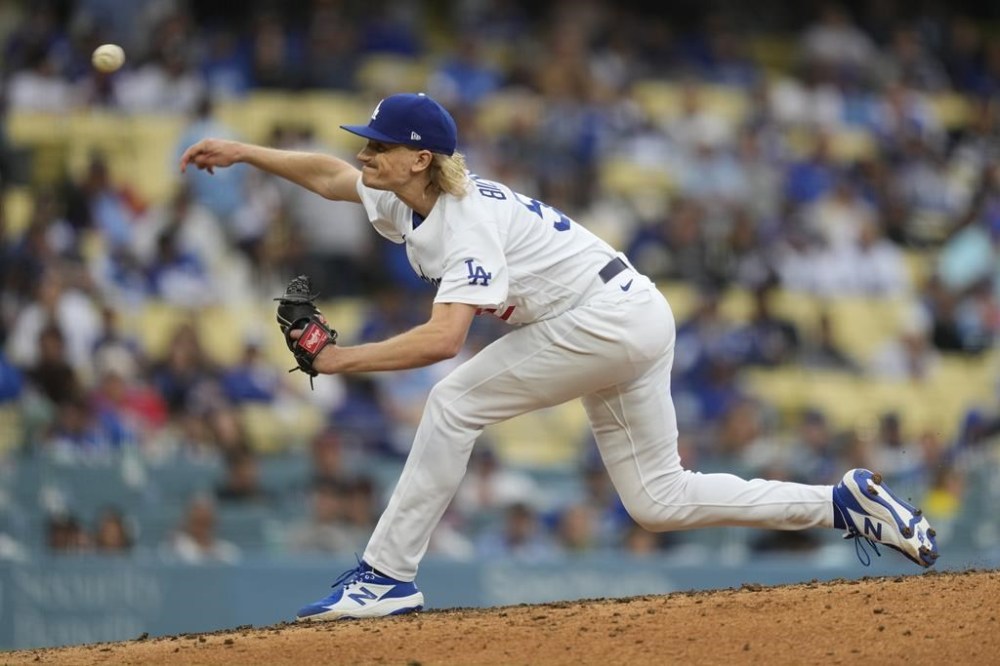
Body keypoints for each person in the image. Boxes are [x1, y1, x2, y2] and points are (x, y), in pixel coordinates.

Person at [179, 92, 940, 622]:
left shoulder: (466, 222)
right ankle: (841, 503)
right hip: (626, 314)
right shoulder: (403, 192)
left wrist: (340, 363)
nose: (364, 153)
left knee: (454, 400)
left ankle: (386, 576)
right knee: (658, 501)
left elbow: (446, 341)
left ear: (419, 158)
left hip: (607, 319)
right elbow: (331, 177)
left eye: (378, 144)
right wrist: (247, 152)